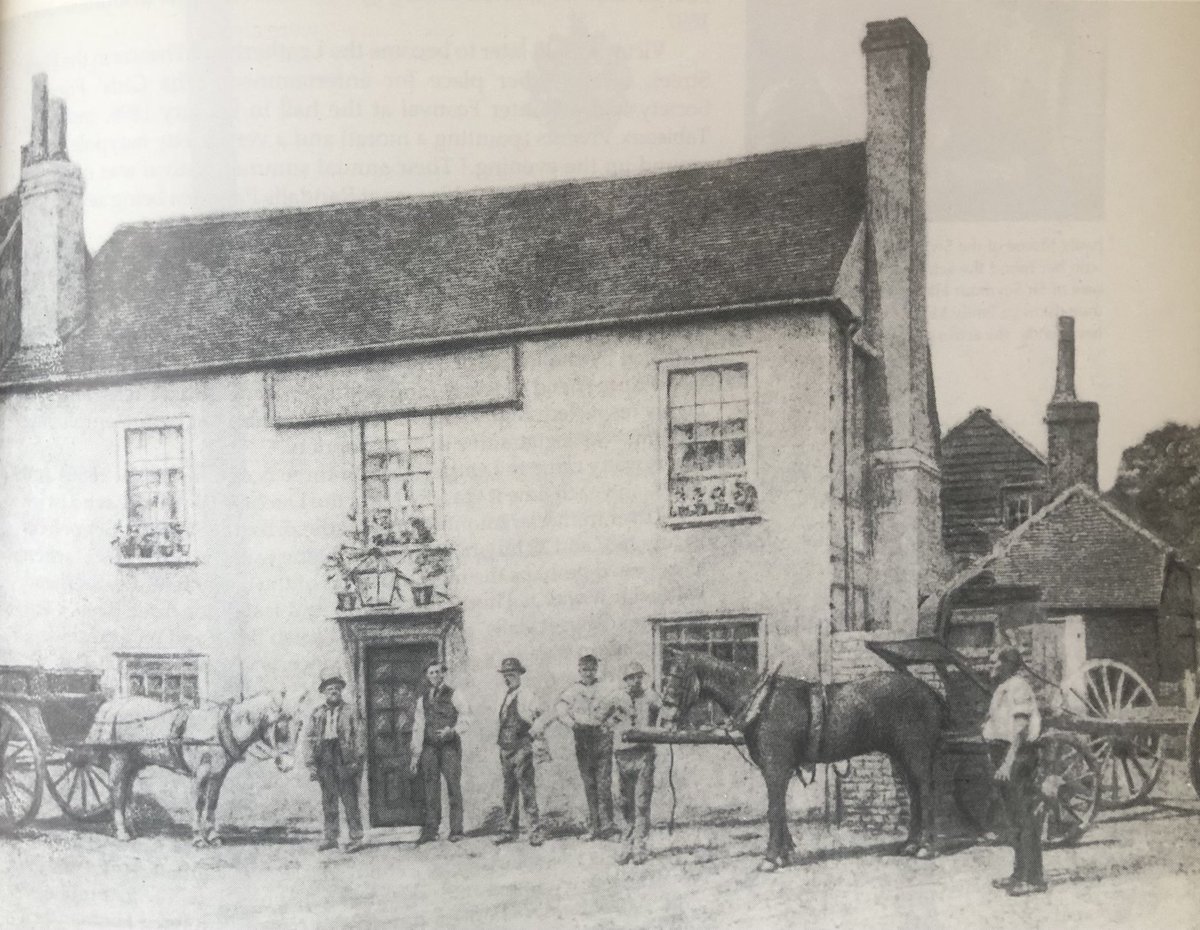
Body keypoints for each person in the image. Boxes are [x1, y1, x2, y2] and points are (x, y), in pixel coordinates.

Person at [982, 645, 1046, 896]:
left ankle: (1034, 878)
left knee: (1024, 817)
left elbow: (1020, 728)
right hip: (1005, 755)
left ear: (1007, 664)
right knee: (1014, 819)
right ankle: (1019, 874)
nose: (990, 666)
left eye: (994, 662)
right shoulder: (1004, 687)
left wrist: (1008, 763)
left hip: (1018, 756)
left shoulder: (1019, 686)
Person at [600, 661, 668, 866]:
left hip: (643, 754)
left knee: (641, 802)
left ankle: (640, 845)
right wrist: (614, 722)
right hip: (622, 756)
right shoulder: (616, 697)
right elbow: (600, 717)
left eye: (639, 676)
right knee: (623, 802)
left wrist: (656, 729)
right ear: (625, 680)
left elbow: (667, 714)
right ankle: (626, 843)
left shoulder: (650, 697)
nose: (635, 681)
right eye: (631, 677)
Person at [550, 654, 615, 840]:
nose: (588, 673)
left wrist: (608, 724)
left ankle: (608, 828)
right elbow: (560, 710)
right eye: (585, 669)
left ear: (596, 670)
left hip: (602, 738)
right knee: (590, 785)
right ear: (579, 670)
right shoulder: (572, 690)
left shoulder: (605, 688)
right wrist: (573, 724)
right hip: (583, 739)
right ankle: (594, 828)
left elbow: (616, 707)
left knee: (604, 784)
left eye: (592, 669)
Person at [304, 667, 367, 853]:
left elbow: (360, 737)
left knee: (349, 798)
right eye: (329, 688)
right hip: (324, 756)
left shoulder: (351, 711)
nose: (333, 691)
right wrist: (311, 764)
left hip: (344, 757)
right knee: (328, 799)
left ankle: (356, 837)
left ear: (341, 691)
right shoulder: (317, 713)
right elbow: (308, 738)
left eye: (337, 688)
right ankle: (331, 837)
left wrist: (357, 760)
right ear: (323, 692)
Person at [409, 660, 471, 844]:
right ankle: (431, 829)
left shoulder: (455, 694)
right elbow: (418, 727)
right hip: (429, 748)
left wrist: (452, 730)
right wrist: (415, 754)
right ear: (427, 676)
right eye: (431, 673)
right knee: (430, 787)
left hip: (449, 746)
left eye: (438, 672)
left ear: (443, 673)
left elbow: (467, 716)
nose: (435, 676)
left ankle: (457, 829)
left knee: (453, 785)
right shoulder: (423, 699)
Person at [494, 657, 549, 847]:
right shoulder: (507, 695)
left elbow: (543, 716)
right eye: (505, 675)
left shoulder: (527, 695)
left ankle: (534, 831)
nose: (508, 678)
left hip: (521, 748)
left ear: (519, 675)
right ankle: (510, 830)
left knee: (527, 789)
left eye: (511, 675)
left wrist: (535, 734)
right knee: (508, 791)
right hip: (505, 749)